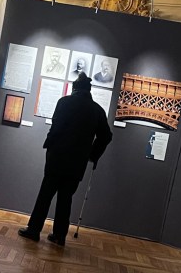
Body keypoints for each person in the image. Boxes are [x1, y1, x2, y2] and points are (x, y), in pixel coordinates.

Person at [19, 72, 112, 246]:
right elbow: (106, 136)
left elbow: (56, 127)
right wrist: (92, 154)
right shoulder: (97, 110)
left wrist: (50, 143)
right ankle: (59, 235)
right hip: (77, 163)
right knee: (66, 198)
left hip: (57, 157)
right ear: (89, 90)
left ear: (75, 88)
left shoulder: (64, 102)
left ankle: (34, 230)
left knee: (45, 195)